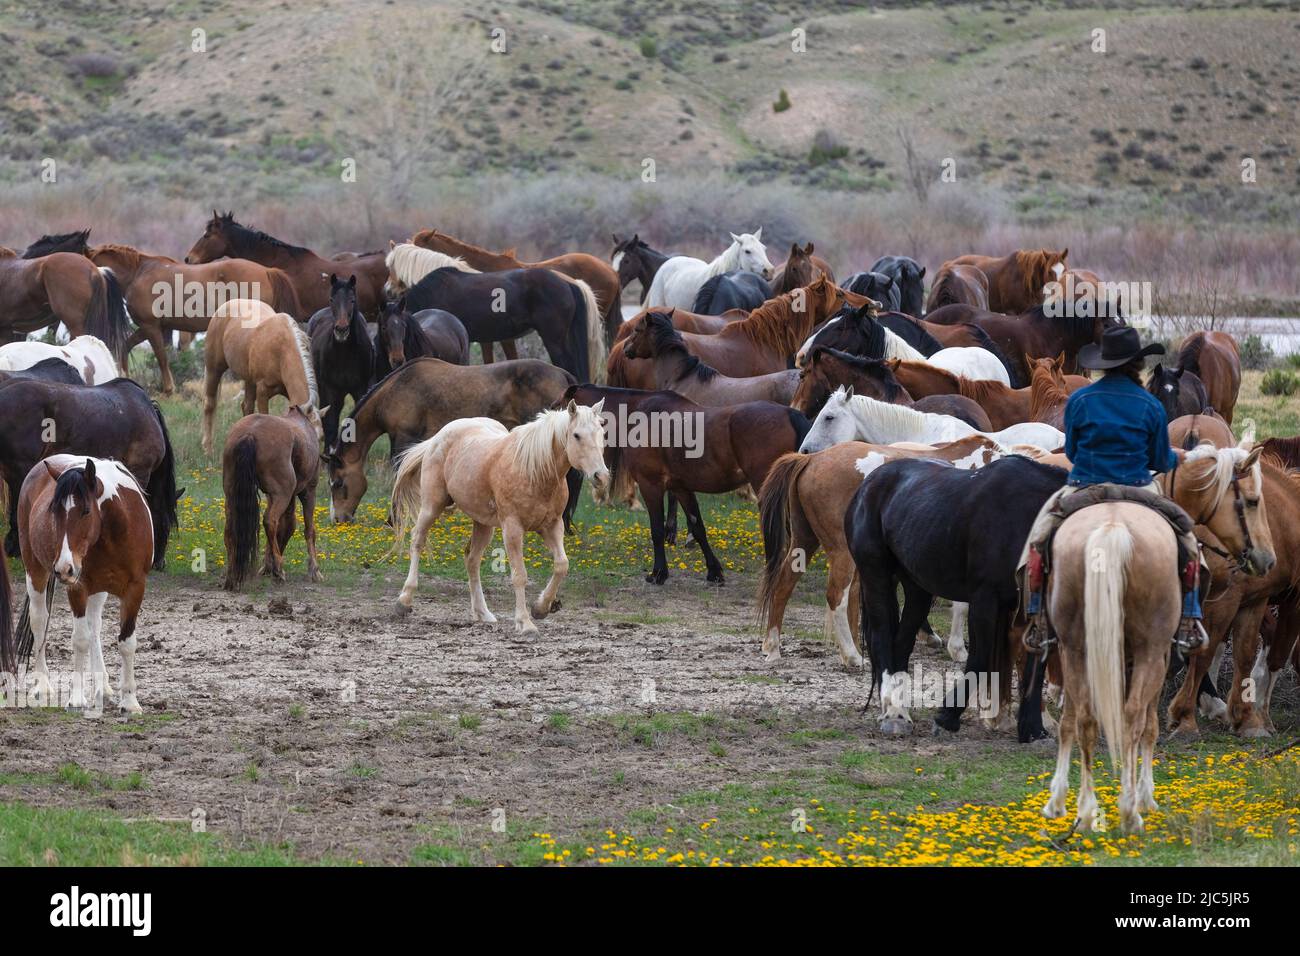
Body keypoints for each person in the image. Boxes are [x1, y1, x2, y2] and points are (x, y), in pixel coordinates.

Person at [1021, 325, 1206, 651]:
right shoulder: (1151, 406)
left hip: (1084, 488)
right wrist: (1179, 458)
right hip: (1140, 489)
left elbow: (1074, 453)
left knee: (1037, 540)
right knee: (1189, 543)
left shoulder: (1078, 399)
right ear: (1137, 365)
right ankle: (1189, 618)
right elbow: (1160, 459)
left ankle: (1036, 616)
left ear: (1102, 364)